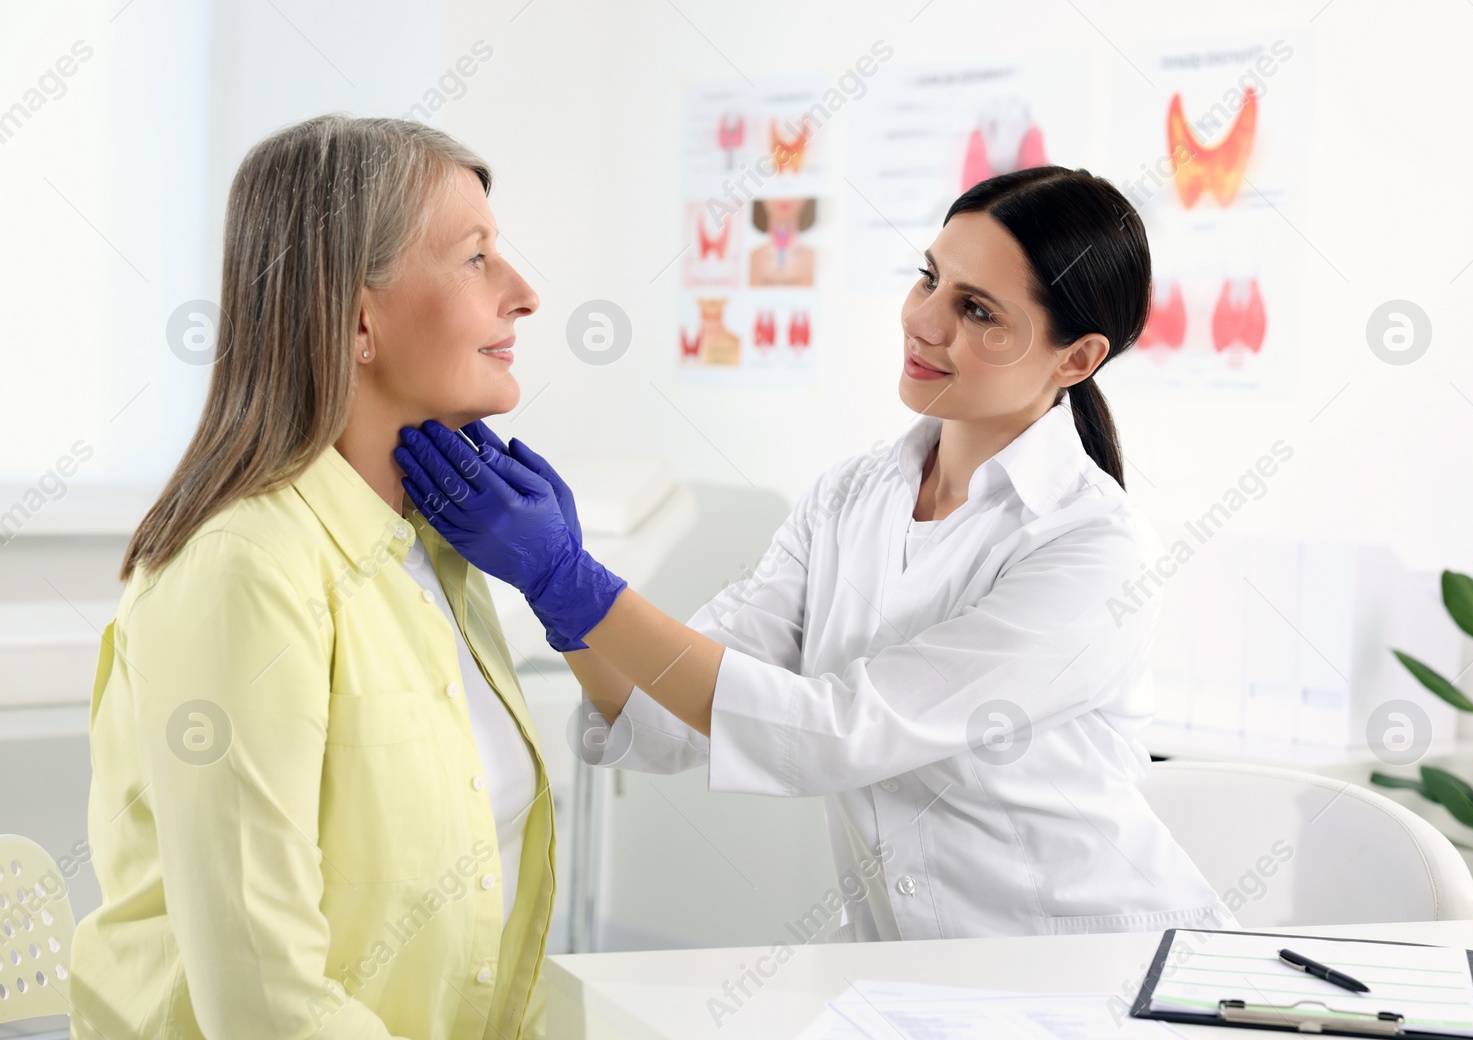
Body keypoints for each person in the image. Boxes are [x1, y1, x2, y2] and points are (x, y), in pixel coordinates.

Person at [399, 165, 1235, 943]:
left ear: (1079, 357)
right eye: (929, 276)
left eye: (978, 311)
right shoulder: (850, 498)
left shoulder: (1092, 548)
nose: (925, 319)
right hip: (913, 977)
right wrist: (562, 599)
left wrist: (573, 581)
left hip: (1094, 971)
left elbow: (842, 731)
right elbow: (662, 721)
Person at [71, 115, 555, 1040]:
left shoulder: (437, 553)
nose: (525, 293)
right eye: (475, 258)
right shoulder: (242, 571)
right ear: (358, 317)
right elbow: (269, 1010)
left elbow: (487, 932)